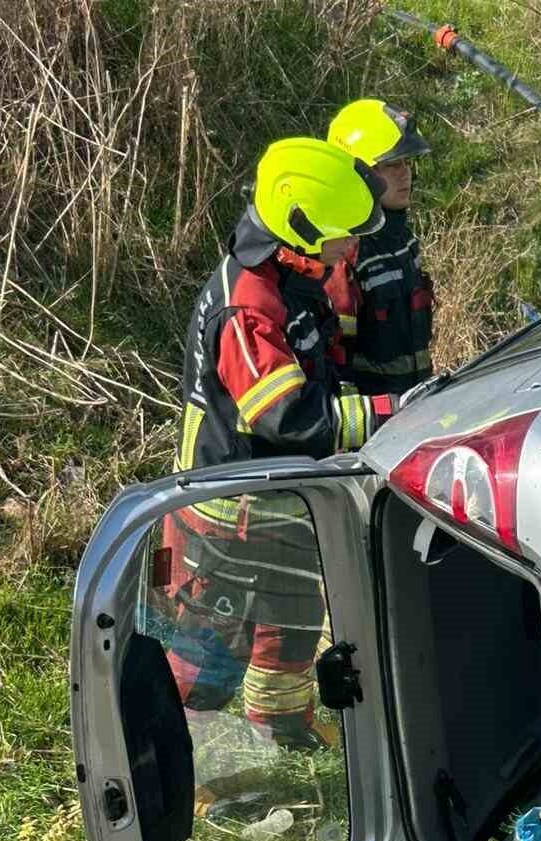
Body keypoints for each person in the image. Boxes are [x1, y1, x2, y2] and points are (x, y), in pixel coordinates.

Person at [157, 137, 401, 751]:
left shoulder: (290, 278)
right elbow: (290, 416)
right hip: (227, 512)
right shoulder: (249, 309)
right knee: (210, 643)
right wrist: (387, 414)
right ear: (298, 232)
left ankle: (282, 728)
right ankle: (177, 752)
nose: (351, 247)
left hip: (279, 499)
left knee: (292, 619)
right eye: (341, 235)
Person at [324, 100, 435, 396]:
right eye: (390, 165)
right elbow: (335, 363)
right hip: (375, 425)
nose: (405, 174)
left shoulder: (403, 239)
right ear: (359, 175)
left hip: (416, 404)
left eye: (407, 162)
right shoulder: (344, 255)